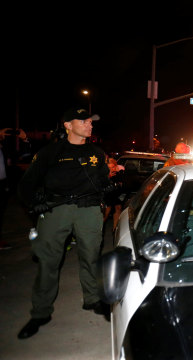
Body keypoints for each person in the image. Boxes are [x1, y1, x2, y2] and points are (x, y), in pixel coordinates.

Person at [16, 107, 111, 339]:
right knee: (49, 261)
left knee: (91, 256)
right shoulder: (50, 152)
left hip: (88, 210)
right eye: (84, 121)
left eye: (91, 121)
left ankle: (93, 299)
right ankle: (41, 312)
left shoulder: (97, 153)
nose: (90, 124)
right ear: (68, 125)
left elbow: (101, 182)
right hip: (56, 210)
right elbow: (27, 183)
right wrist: (33, 204)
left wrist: (110, 187)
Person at [1, 128, 31, 250]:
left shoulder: (4, 149)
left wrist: (24, 139)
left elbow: (25, 156)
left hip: (3, 184)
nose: (3, 135)